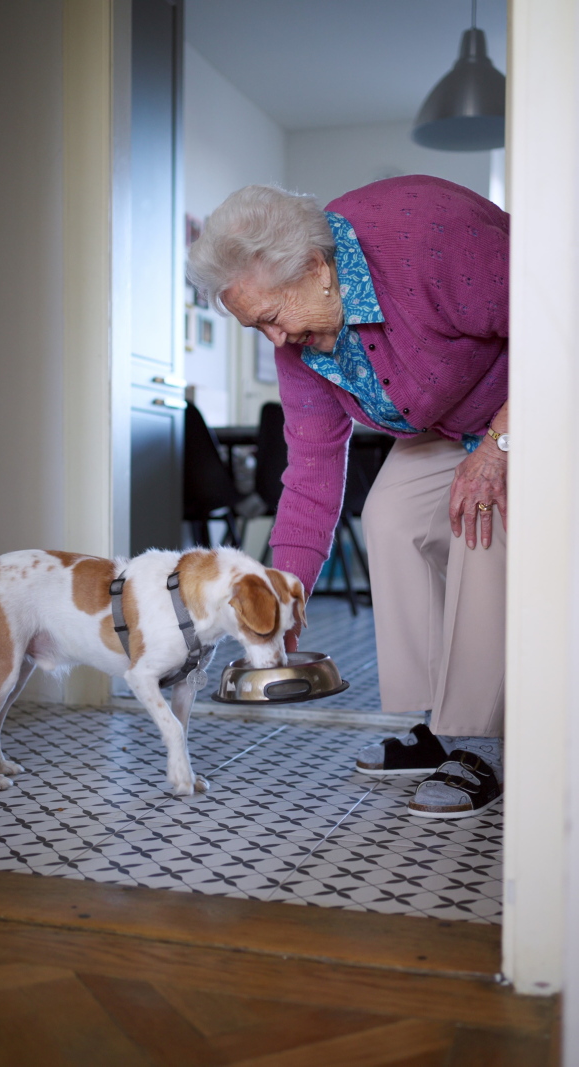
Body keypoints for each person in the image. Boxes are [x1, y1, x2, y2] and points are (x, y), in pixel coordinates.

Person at [187, 176, 509, 820]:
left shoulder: (429, 241)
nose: (274, 341)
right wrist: (286, 591)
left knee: (478, 516)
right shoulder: (300, 344)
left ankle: (484, 741)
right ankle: (440, 727)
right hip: (447, 426)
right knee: (388, 516)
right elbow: (309, 471)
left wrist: (501, 445)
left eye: (272, 318)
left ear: (314, 268)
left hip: (524, 399)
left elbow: (561, 321)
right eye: (256, 328)